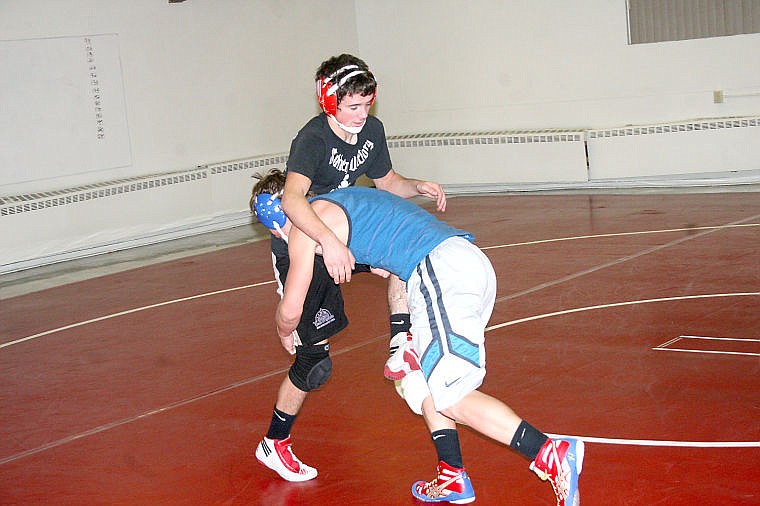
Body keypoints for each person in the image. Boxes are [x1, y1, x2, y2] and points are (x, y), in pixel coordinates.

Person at [267, 183, 585, 505]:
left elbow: (292, 310)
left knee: (452, 396)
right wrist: (400, 337)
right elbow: (391, 264)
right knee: (421, 382)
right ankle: (452, 473)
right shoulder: (346, 205)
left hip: (438, 271)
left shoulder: (306, 227)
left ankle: (551, 454)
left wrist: (284, 331)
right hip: (449, 270)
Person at [252, 53, 447, 482]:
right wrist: (327, 242)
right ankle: (274, 442)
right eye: (352, 107)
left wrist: (416, 186)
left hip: (345, 228)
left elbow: (387, 182)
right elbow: (292, 199)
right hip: (308, 235)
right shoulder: (313, 139)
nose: (362, 116)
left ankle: (400, 344)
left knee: (403, 257)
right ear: (328, 101)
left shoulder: (371, 131)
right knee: (315, 364)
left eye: (367, 104)